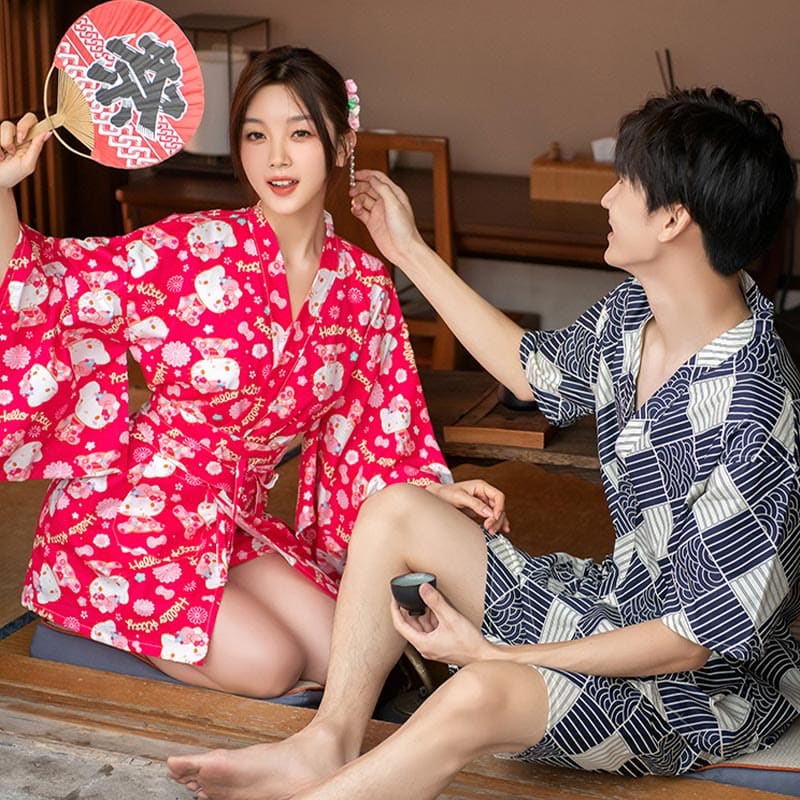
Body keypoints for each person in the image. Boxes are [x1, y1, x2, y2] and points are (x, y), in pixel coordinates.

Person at [167, 86, 800, 799]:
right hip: (611, 603)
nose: (606, 199)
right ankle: (325, 743)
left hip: (699, 695)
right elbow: (531, 372)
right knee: (395, 510)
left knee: (477, 691)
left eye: (625, 184)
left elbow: (690, 641)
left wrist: (495, 652)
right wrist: (407, 249)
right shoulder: (636, 313)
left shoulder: (755, 410)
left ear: (674, 218)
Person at [0, 46, 508, 698]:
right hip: (125, 515)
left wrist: (435, 499)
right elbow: (48, 283)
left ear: (342, 143)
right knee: (270, 664)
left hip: (232, 521)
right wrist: (3, 188)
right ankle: (80, 607)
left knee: (349, 649)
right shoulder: (192, 248)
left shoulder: (361, 287)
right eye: (256, 136)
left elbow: (378, 431)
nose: (276, 159)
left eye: (300, 134)